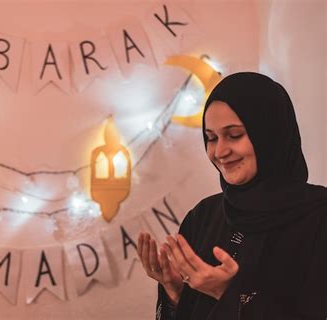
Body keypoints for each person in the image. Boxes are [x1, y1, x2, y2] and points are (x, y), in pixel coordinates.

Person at [137, 72, 327, 320]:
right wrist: (177, 291)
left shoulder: (319, 218)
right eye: (211, 138)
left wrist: (227, 293)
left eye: (234, 135)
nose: (220, 151)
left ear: (269, 134)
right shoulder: (204, 216)